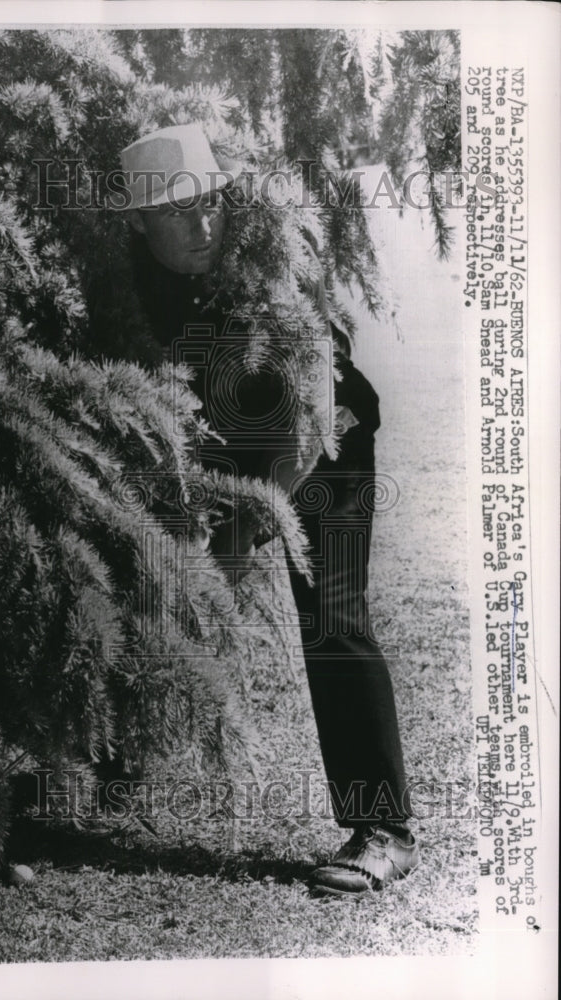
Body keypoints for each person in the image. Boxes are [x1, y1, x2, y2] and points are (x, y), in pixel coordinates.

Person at [110, 122, 419, 896]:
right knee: (139, 580)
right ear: (137, 220)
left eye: (210, 204)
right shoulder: (121, 283)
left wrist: (250, 527)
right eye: (176, 211)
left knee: (332, 614)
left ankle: (383, 828)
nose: (200, 225)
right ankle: (94, 760)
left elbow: (307, 421)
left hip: (324, 439)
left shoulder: (264, 273)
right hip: (225, 434)